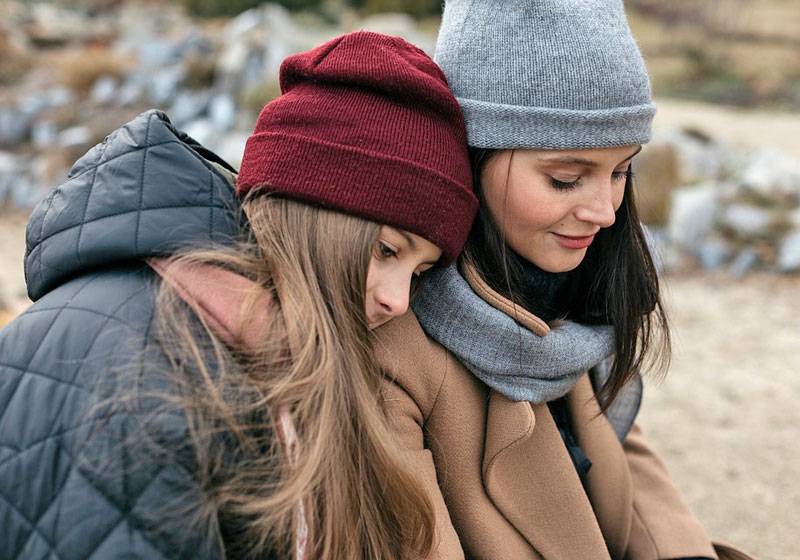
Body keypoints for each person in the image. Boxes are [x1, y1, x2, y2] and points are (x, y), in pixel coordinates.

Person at [0, 32, 477, 560]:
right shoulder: (142, 373)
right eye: (387, 250)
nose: (398, 301)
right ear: (311, 212)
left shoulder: (247, 347)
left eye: (419, 272)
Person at [372, 2, 755, 559]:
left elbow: (623, 451)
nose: (605, 213)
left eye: (621, 171)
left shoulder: (582, 289)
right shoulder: (392, 338)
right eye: (566, 179)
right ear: (473, 157)